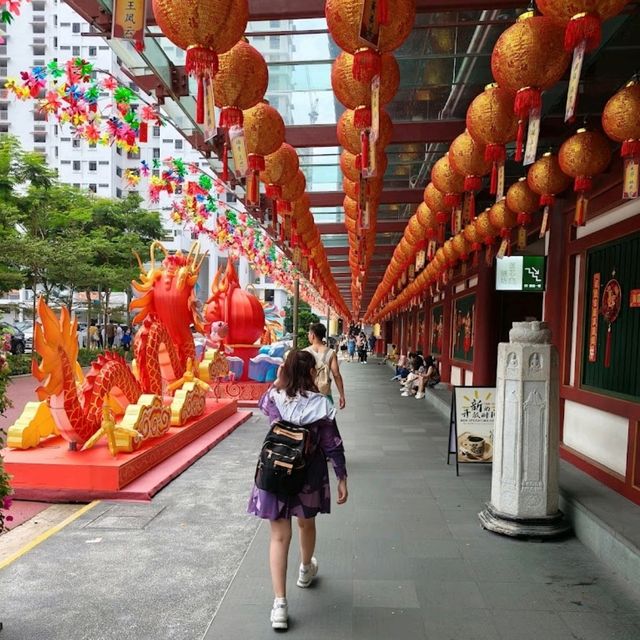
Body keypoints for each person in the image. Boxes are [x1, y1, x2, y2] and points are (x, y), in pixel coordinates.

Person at [248, 350, 348, 630]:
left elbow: (261, 403)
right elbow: (332, 444)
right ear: (312, 373)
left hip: (275, 471)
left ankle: (279, 604)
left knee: (279, 537)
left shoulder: (274, 399)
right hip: (308, 474)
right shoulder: (322, 405)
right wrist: (341, 476)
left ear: (287, 372)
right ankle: (305, 570)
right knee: (306, 524)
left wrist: (278, 382)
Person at [304, 322, 346, 410]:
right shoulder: (331, 353)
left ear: (313, 335)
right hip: (325, 394)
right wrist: (342, 395)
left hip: (307, 395)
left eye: (309, 334)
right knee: (327, 421)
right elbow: (336, 374)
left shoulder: (304, 352)